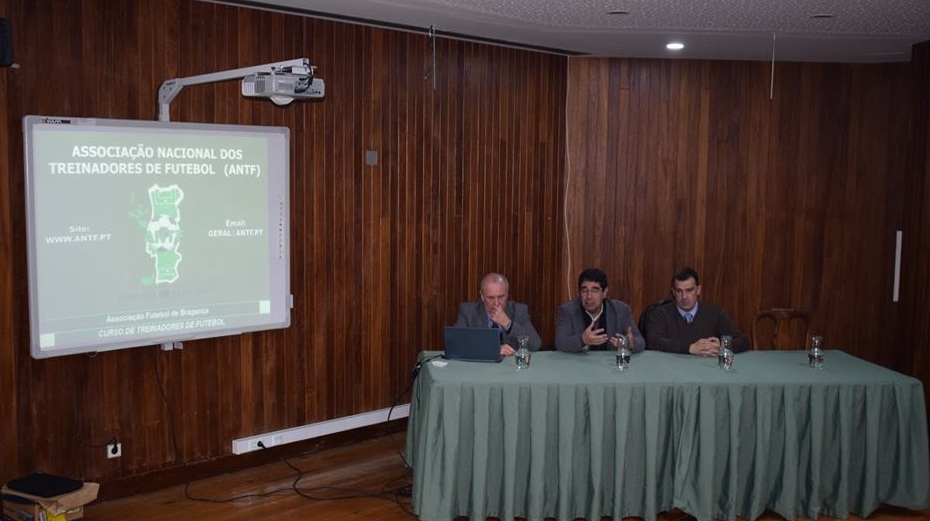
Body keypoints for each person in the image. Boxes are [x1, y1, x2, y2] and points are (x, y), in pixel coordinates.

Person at [644, 267, 749, 355]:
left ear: (698, 290)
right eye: (679, 291)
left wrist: (722, 346)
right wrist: (690, 348)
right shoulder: (660, 314)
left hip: (707, 370)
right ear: (673, 292)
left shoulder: (714, 313)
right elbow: (653, 342)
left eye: (689, 290)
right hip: (672, 370)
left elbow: (743, 341)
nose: (684, 297)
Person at [554, 268, 645, 353]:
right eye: (584, 291)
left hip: (609, 366)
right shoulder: (567, 311)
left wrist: (630, 344)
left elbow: (641, 341)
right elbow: (560, 342)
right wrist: (582, 340)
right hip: (579, 365)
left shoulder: (621, 310)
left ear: (604, 293)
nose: (589, 296)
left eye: (595, 291)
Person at [454, 272, 542, 356]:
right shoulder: (468, 311)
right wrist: (493, 349)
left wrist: (508, 323)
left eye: (501, 297)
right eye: (490, 298)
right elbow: (456, 343)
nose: (496, 303)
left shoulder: (518, 310)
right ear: (482, 296)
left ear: (507, 294)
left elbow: (535, 344)